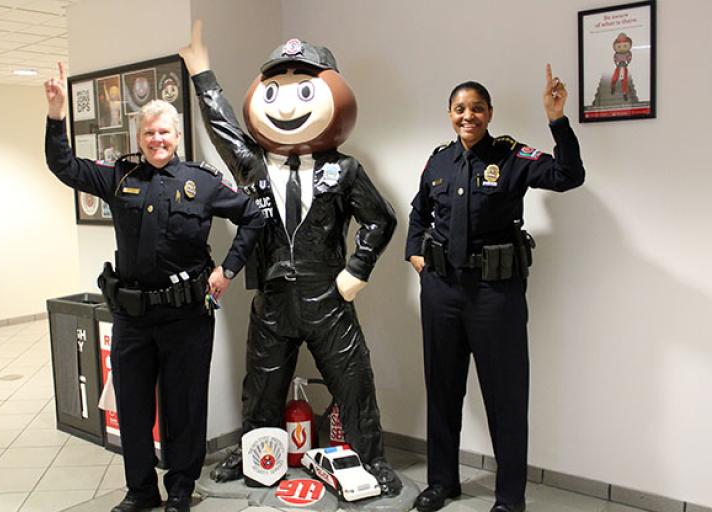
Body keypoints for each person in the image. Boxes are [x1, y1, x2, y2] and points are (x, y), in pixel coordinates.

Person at [179, 21, 402, 495]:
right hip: (274, 298)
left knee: (354, 379)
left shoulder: (344, 170)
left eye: (302, 91)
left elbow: (382, 219)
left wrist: (356, 271)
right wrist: (203, 73)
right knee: (262, 383)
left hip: (328, 296)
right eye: (275, 90)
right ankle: (252, 451)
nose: (284, 105)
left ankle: (373, 460)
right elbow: (222, 126)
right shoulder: (252, 163)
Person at [43, 63, 264, 512]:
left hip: (186, 318)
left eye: (164, 133)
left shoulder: (201, 183)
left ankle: (181, 489)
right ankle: (141, 490)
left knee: (183, 408)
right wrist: (55, 116)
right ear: (139, 138)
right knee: (134, 408)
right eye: (149, 134)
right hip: (133, 318)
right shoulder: (121, 178)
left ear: (176, 136)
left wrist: (228, 269)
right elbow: (64, 166)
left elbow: (254, 216)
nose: (156, 140)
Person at [405, 65, 585, 512]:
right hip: (442, 290)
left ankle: (509, 499)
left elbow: (569, 175)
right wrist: (415, 253)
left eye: (477, 109)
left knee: (505, 398)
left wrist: (557, 119)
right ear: (450, 113)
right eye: (460, 109)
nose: (469, 116)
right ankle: (442, 482)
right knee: (442, 390)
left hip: (494, 295)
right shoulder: (439, 160)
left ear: (489, 114)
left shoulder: (511, 157)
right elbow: (418, 212)